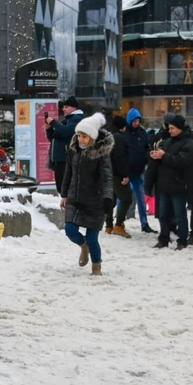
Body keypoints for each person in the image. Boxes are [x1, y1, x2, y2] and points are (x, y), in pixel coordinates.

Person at [60, 113, 113, 276]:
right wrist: (64, 194)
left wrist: (108, 197)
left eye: (84, 136)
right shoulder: (74, 150)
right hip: (75, 197)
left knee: (92, 237)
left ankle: (96, 266)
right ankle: (83, 246)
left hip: (95, 200)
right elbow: (68, 172)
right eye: (79, 135)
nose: (81, 139)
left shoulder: (101, 153)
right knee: (70, 229)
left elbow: (107, 176)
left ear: (92, 137)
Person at [147, 115, 193, 250]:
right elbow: (162, 161)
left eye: (173, 128)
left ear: (180, 128)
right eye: (169, 128)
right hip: (164, 185)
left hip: (179, 185)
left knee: (180, 215)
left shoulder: (189, 144)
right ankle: (163, 238)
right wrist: (156, 157)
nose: (170, 130)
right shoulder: (167, 142)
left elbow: (182, 162)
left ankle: (182, 240)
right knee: (163, 215)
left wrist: (164, 156)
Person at [124, 108, 157, 233]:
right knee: (123, 197)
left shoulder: (142, 133)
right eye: (134, 121)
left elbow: (145, 148)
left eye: (138, 121)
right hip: (126, 171)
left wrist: (147, 157)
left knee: (141, 198)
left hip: (139, 170)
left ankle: (144, 223)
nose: (137, 123)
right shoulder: (124, 133)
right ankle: (119, 221)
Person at [46, 96, 85, 190]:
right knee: (61, 188)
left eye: (66, 107)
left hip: (68, 159)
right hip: (60, 160)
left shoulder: (77, 119)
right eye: (63, 107)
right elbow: (54, 137)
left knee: (66, 188)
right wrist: (49, 129)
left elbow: (66, 131)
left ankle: (70, 204)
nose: (64, 109)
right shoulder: (66, 120)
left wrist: (53, 123)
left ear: (74, 108)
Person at [104, 114, 134, 237]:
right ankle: (118, 225)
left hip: (106, 173)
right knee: (127, 198)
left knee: (111, 199)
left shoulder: (106, 136)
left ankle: (109, 226)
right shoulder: (119, 138)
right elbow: (120, 158)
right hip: (116, 173)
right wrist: (125, 175)